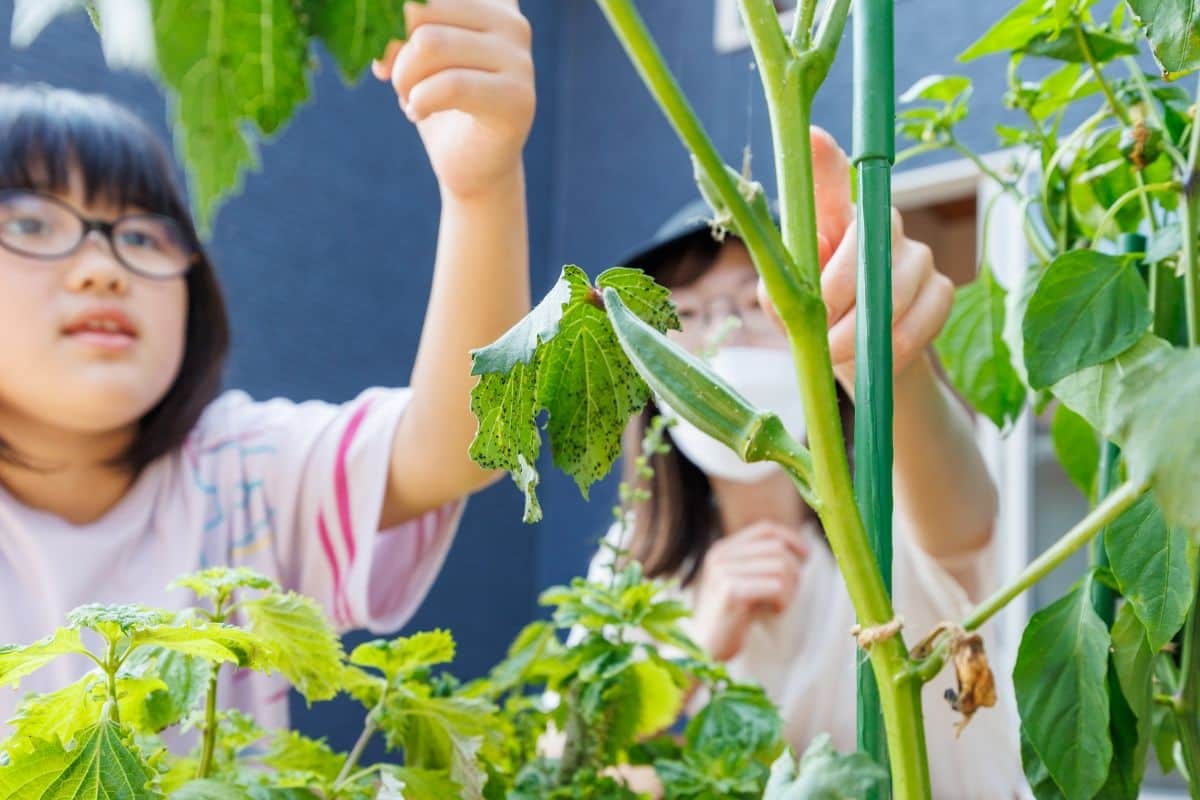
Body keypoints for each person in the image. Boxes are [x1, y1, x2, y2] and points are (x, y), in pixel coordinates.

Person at [0, 0, 535, 738]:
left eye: (143, 235)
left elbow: (458, 443)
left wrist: (481, 186)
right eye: (30, 223)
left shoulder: (239, 475)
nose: (103, 269)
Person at [587, 130, 1029, 798]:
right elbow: (577, 767)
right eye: (688, 315)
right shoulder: (631, 568)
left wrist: (888, 359)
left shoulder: (890, 514)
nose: (721, 334)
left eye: (751, 303)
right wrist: (690, 658)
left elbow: (963, 521)